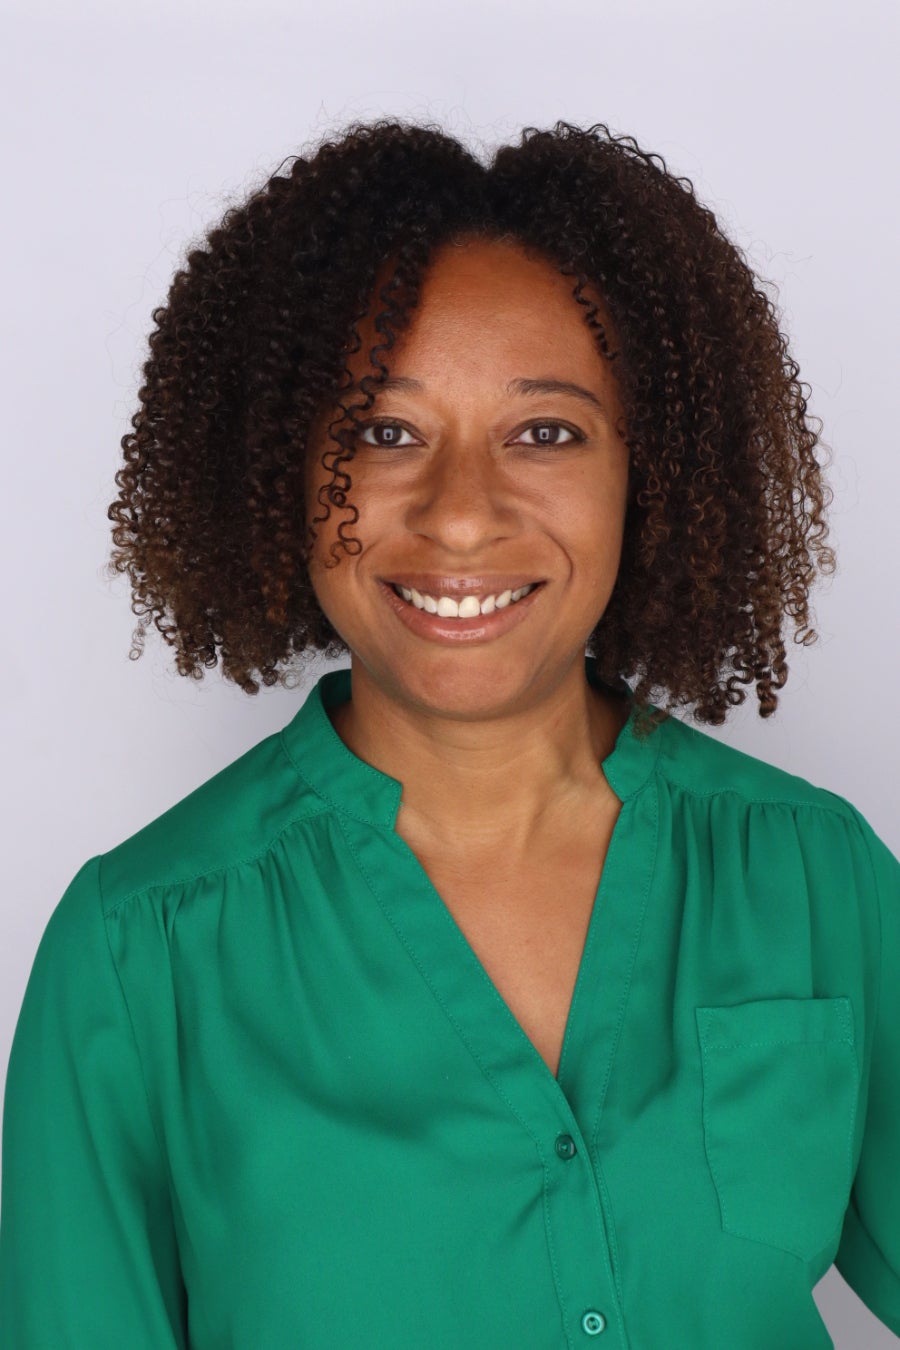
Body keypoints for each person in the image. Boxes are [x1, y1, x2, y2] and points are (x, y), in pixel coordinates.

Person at [0, 118, 897, 1349]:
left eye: (546, 432)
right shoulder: (137, 956)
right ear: (277, 467)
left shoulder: (815, 877)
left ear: (656, 470)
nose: (461, 515)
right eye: (381, 432)